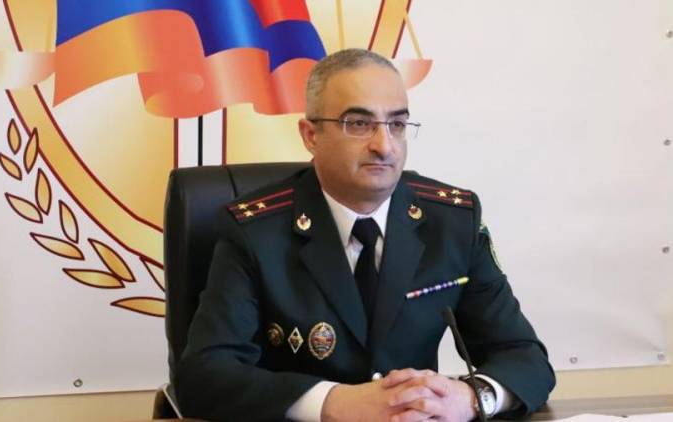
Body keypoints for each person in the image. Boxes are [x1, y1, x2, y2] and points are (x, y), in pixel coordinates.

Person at [175, 48, 555, 421]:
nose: (384, 145)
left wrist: (471, 398)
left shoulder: (452, 222)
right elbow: (204, 376)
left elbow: (525, 358)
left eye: (397, 124)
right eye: (358, 124)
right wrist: (333, 402)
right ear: (310, 135)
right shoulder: (255, 231)